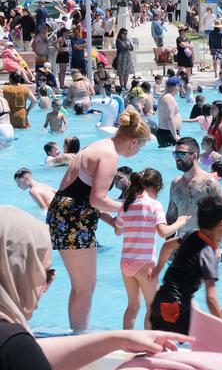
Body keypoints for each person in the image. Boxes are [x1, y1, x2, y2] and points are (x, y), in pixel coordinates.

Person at [0, 206, 194, 370]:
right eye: (47, 275)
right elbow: (21, 351)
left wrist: (119, 339)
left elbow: (36, 352)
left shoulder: (13, 343)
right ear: (15, 273)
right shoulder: (13, 345)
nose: (46, 287)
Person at [46, 110, 151, 331]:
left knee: (81, 285)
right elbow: (98, 199)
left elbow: (80, 195)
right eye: (140, 147)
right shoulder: (110, 156)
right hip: (72, 217)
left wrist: (111, 220)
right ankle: (80, 337)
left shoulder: (98, 145)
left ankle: (78, 333)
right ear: (133, 142)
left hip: (65, 213)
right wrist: (129, 208)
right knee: (85, 285)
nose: (139, 151)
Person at [114, 169, 191, 330]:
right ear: (156, 187)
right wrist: (180, 222)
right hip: (144, 264)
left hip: (126, 262)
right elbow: (163, 232)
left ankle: (127, 342)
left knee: (133, 306)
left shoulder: (126, 204)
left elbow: (118, 230)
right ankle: (149, 345)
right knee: (153, 307)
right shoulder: (154, 205)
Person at [150, 197, 222, 334]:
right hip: (177, 307)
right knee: (200, 340)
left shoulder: (191, 234)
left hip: (160, 298)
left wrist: (157, 270)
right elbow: (211, 298)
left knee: (163, 344)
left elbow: (166, 246)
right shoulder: (208, 253)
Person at [165, 137, 222, 239]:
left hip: (204, 246)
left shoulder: (210, 184)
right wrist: (168, 247)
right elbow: (171, 218)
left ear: (195, 156)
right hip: (181, 245)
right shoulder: (175, 183)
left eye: (181, 154)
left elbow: (221, 219)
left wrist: (216, 248)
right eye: (175, 154)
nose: (177, 158)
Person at [156, 76, 182, 147]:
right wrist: (175, 135)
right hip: (169, 133)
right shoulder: (169, 99)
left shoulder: (163, 97)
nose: (179, 88)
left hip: (164, 132)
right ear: (176, 86)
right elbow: (170, 118)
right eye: (179, 86)